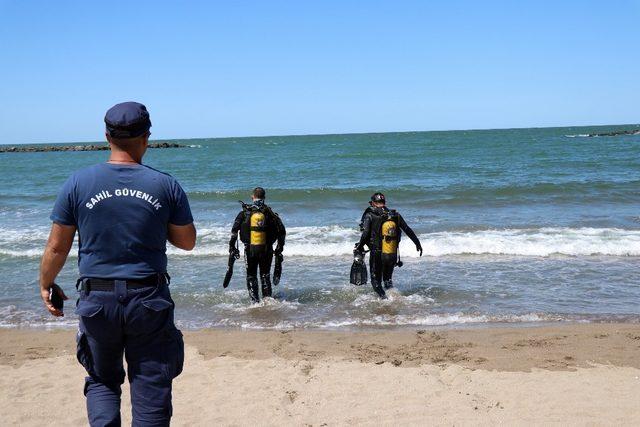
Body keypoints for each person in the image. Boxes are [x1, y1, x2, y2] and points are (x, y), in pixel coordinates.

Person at [38, 101, 196, 426]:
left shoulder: (78, 183)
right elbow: (187, 241)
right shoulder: (164, 185)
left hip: (98, 300)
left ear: (106, 136)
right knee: (150, 384)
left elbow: (57, 246)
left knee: (102, 380)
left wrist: (46, 283)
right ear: (146, 137)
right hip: (148, 300)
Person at [355, 192, 422, 298]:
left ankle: (384, 300)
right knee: (387, 279)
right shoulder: (395, 215)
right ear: (384, 202)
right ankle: (393, 297)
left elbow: (366, 233)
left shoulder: (370, 215)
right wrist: (417, 244)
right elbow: (407, 229)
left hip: (376, 252)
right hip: (391, 252)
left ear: (372, 203)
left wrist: (359, 246)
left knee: (375, 281)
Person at [228, 187, 286, 302]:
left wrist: (232, 247)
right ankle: (268, 302)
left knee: (251, 276)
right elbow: (282, 232)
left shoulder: (244, 213)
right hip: (267, 250)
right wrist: (279, 248)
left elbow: (234, 232)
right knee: (265, 275)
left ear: (252, 197)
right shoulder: (270, 214)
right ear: (264, 198)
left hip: (250, 250)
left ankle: (255, 303)